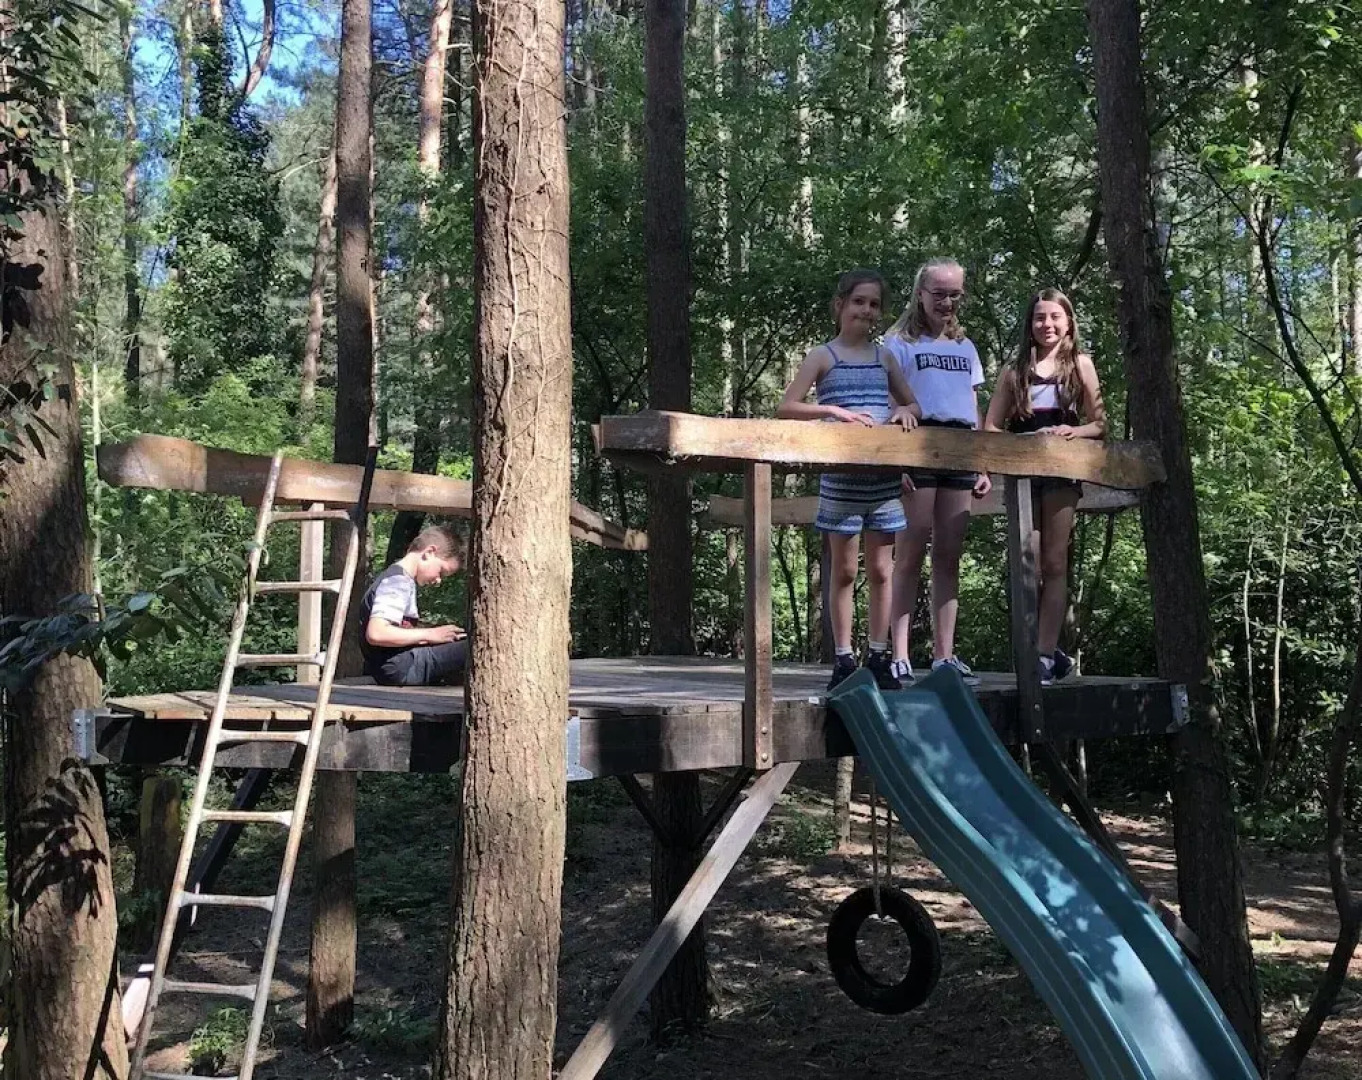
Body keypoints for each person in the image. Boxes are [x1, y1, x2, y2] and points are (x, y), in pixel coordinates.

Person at [778, 268, 921, 691]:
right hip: (840, 480)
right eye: (859, 301)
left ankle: (879, 655)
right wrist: (833, 413)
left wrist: (904, 413)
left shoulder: (885, 357)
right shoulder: (823, 356)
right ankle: (842, 657)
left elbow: (911, 403)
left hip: (883, 483)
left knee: (882, 569)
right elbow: (787, 406)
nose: (866, 310)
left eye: (874, 304)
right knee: (842, 571)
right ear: (840, 305)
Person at [983, 287, 1106, 684]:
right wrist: (993, 464)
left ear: (1068, 321)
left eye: (1054, 316)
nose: (1047, 324)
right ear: (1029, 324)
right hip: (1022, 476)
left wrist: (1075, 430)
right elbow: (990, 426)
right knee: (1027, 564)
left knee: (1055, 564)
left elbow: (1101, 423)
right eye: (1039, 317)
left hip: (1062, 474)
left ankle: (1047, 653)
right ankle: (1028, 648)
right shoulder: (1014, 370)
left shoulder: (1081, 365)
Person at [884, 257, 991, 686]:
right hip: (917, 445)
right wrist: (895, 459)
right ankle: (899, 654)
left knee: (948, 556)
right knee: (909, 552)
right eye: (939, 293)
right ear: (921, 293)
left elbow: (972, 404)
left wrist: (984, 460)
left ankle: (945, 656)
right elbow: (889, 401)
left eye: (954, 294)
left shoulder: (965, 346)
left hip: (961, 447)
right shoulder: (899, 343)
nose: (947, 302)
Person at [361, 524, 468, 686]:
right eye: (441, 572)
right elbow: (376, 633)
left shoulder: (400, 579)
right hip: (401, 668)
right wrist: (430, 634)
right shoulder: (397, 581)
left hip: (398, 666)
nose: (438, 580)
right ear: (429, 553)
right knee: (476, 647)